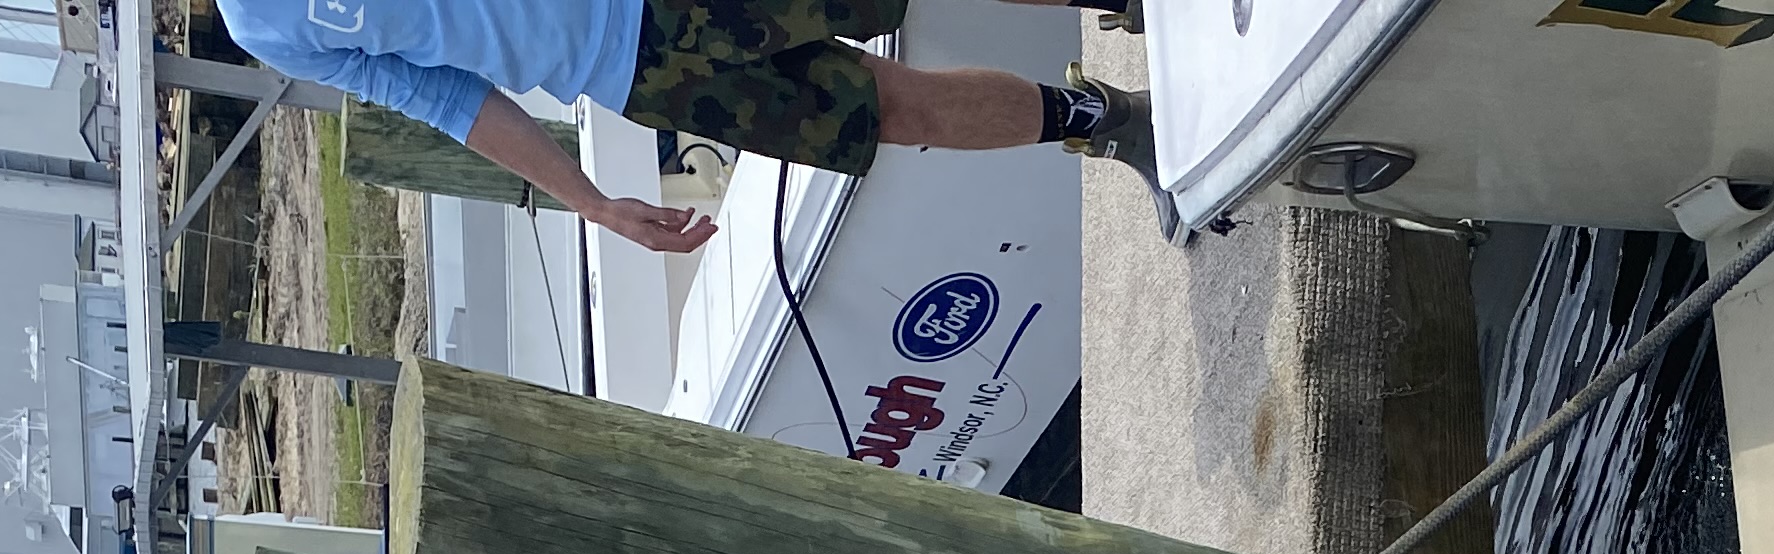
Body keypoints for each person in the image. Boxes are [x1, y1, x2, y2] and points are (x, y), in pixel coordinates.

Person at [211, 0, 1162, 248]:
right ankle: (1108, 120)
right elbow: (447, 99)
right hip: (631, 70)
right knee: (887, 109)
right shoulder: (264, 29)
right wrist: (591, 201)